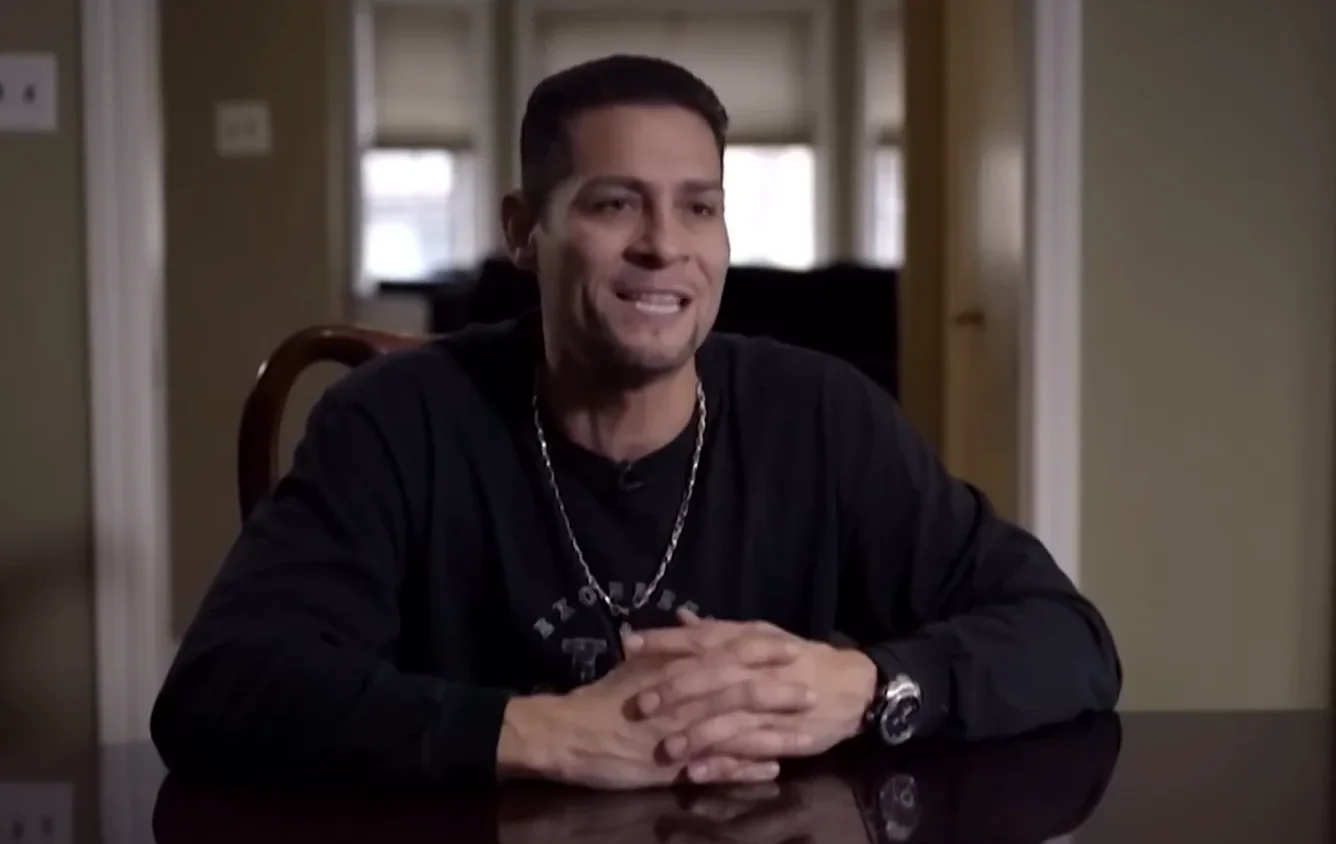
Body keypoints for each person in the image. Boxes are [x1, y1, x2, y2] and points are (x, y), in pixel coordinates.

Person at [150, 54, 1121, 791]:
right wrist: (543, 733)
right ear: (524, 231)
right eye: (615, 204)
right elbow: (221, 687)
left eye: (698, 208)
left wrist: (866, 687)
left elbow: (1066, 638)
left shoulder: (822, 415)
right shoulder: (396, 421)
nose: (664, 246)